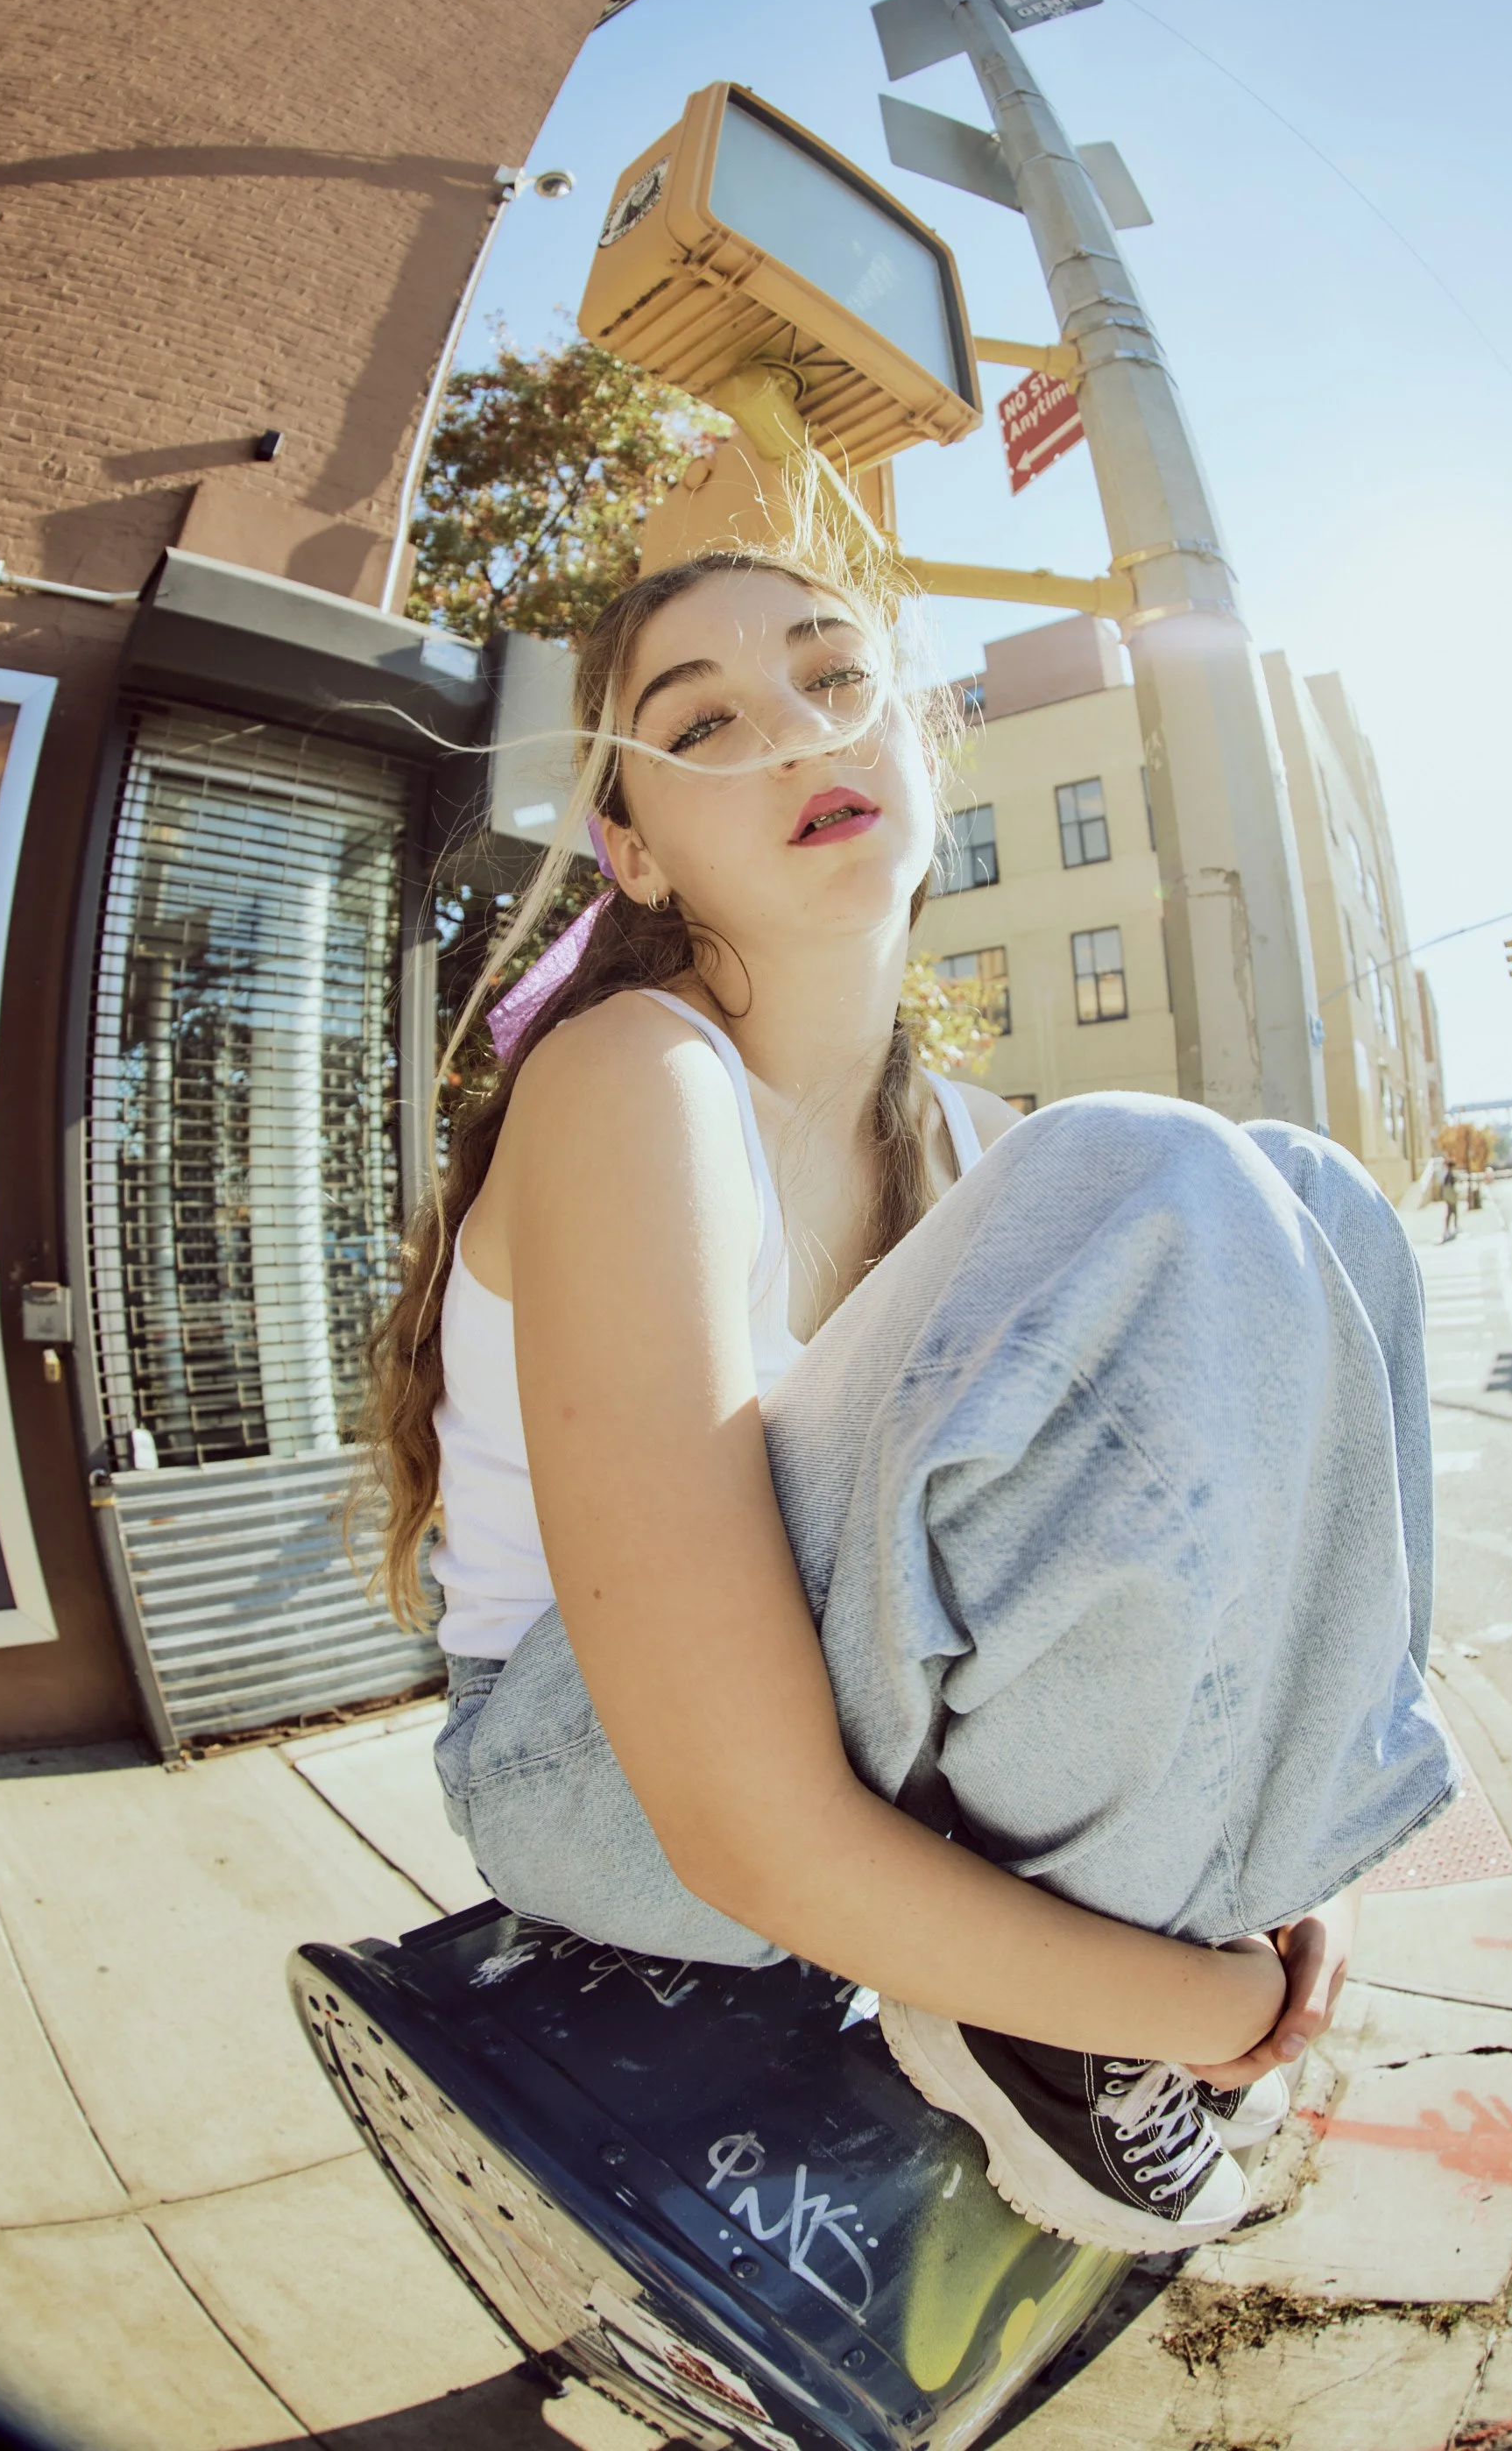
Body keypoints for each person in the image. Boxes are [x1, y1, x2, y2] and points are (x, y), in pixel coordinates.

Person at [361, 531, 1456, 2257]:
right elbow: (741, 1823)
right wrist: (1189, 2007)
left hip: (830, 1710)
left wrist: (1273, 1865)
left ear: (919, 744)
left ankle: (1107, 1969)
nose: (799, 734)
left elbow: (1160, 1574)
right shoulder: (631, 1082)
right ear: (630, 854)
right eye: (706, 726)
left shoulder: (971, 1144)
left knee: (1312, 1204)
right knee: (1157, 1175)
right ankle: (1037, 2035)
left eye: (833, 675)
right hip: (591, 1766)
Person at [1441, 1159, 1460, 1240]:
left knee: (1450, 1213)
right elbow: (1451, 1187)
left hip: (1448, 1197)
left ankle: (1448, 1228)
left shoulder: (1446, 1176)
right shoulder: (1451, 1176)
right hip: (1451, 1197)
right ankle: (1453, 1227)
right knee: (1453, 1213)